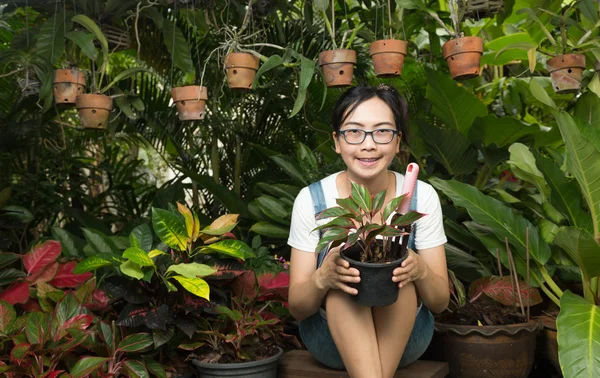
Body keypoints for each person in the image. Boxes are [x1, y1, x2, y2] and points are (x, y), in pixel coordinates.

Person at [287, 84, 449, 378]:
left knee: (401, 278)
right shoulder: (312, 200)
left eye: (382, 131)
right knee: (341, 287)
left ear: (398, 141)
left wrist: (421, 270)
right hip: (330, 340)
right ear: (336, 141)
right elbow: (298, 307)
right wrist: (324, 277)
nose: (368, 144)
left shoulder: (421, 197)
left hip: (406, 338)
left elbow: (439, 302)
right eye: (354, 131)